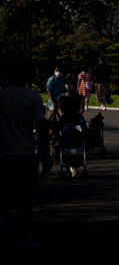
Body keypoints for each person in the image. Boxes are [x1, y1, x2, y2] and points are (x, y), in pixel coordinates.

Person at [0, 58, 52, 251]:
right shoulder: (32, 97)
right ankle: (23, 237)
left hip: (3, 154)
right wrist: (46, 156)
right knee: (25, 200)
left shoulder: (2, 95)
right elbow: (41, 125)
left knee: (4, 196)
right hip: (25, 154)